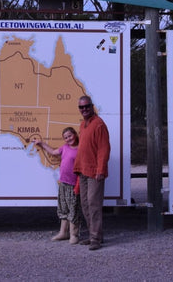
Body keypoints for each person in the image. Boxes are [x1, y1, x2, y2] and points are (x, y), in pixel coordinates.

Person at [73, 95, 110, 251]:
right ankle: (93, 235)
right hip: (83, 170)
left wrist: (101, 170)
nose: (84, 109)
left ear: (92, 106)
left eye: (87, 106)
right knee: (85, 204)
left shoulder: (99, 124)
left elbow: (104, 149)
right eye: (81, 107)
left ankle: (96, 238)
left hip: (95, 172)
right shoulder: (83, 125)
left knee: (94, 204)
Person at [33, 127, 82, 243]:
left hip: (73, 184)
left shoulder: (80, 149)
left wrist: (78, 186)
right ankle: (63, 232)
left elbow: (82, 169)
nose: (68, 139)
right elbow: (53, 152)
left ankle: (74, 234)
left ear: (75, 134)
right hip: (63, 184)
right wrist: (41, 144)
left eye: (70, 136)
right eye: (65, 137)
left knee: (73, 209)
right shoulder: (64, 147)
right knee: (63, 208)